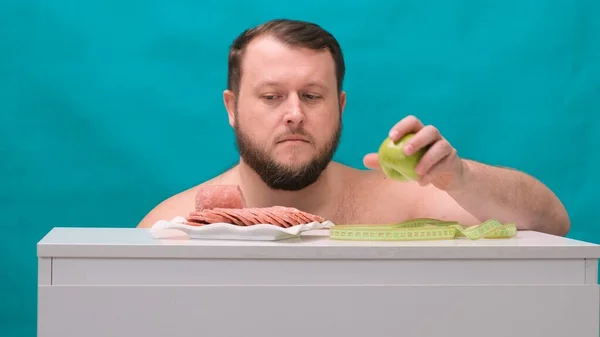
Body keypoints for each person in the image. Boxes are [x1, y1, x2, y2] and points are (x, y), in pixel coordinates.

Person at [137, 18, 570, 236]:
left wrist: (462, 178)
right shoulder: (173, 227)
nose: (294, 114)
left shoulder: (402, 202)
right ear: (231, 108)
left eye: (312, 95)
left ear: (340, 106)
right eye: (271, 97)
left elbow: (553, 221)